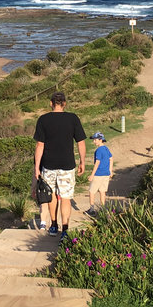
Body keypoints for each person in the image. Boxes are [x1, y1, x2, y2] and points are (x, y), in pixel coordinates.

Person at [33, 91, 86, 241]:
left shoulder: (43, 120)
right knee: (66, 197)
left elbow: (39, 145)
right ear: (64, 104)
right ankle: (65, 229)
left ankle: (54, 225)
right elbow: (80, 142)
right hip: (67, 164)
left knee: (51, 197)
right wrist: (82, 161)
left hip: (49, 165)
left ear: (51, 103)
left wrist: (37, 167)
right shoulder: (73, 118)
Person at [87, 132, 113, 213]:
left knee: (91, 191)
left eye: (95, 140)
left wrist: (92, 175)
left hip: (98, 174)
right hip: (106, 174)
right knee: (102, 191)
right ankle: (103, 209)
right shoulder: (106, 148)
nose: (94, 141)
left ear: (100, 140)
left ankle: (92, 209)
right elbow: (111, 159)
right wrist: (110, 171)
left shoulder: (98, 150)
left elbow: (97, 163)